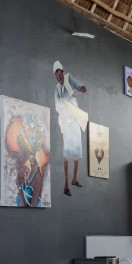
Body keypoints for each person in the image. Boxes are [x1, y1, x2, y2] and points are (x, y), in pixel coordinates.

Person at [52, 61, 86, 196]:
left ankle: (74, 179)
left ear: (62, 71)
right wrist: (63, 111)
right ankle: (66, 184)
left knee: (77, 151)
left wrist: (78, 90)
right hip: (66, 121)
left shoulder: (69, 79)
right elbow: (57, 105)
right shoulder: (57, 88)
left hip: (74, 118)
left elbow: (81, 88)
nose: (58, 76)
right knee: (66, 153)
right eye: (56, 74)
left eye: (59, 73)